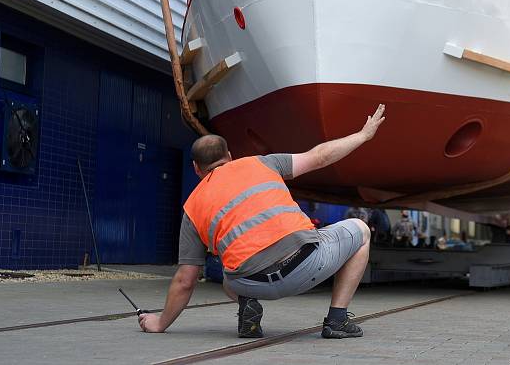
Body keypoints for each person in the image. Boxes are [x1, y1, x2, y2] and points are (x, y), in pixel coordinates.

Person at [138, 105, 386, 339]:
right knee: (361, 230)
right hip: (307, 267)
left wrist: (160, 322)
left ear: (196, 168)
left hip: (253, 284)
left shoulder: (192, 208)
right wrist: (363, 135)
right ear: (230, 156)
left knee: (227, 279)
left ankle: (248, 305)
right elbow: (319, 157)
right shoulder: (262, 162)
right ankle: (337, 320)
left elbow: (185, 280)